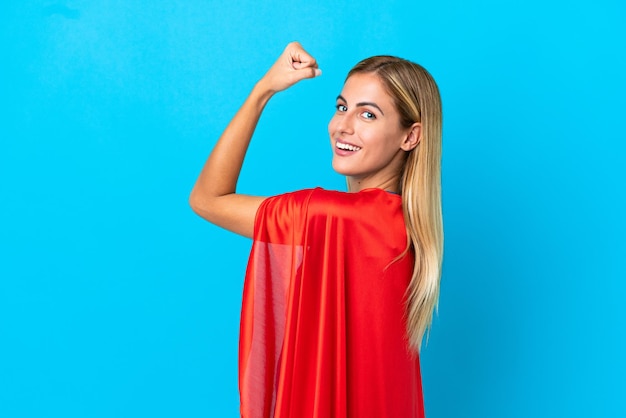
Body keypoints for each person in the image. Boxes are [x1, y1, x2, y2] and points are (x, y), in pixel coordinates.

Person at [189, 42, 443, 418]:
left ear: (410, 136)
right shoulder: (404, 225)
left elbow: (207, 198)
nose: (344, 125)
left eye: (368, 115)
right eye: (342, 107)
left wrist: (264, 91)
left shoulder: (331, 216)